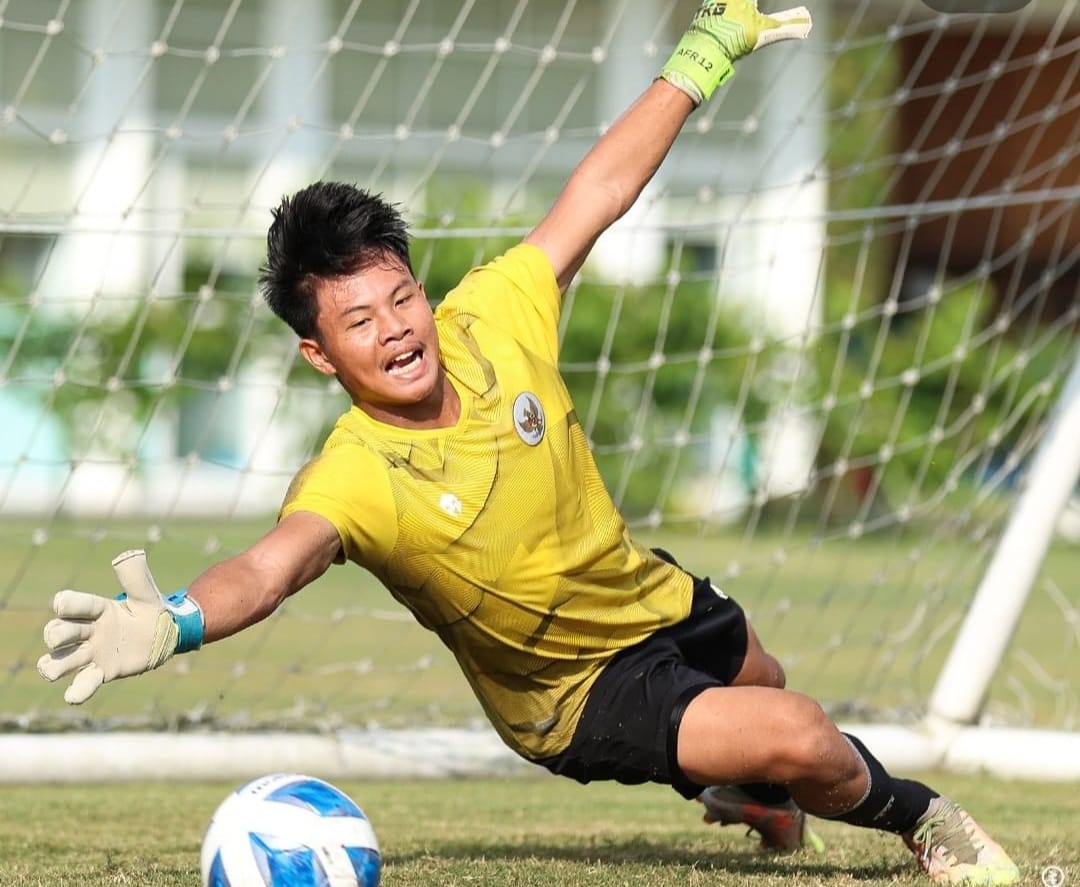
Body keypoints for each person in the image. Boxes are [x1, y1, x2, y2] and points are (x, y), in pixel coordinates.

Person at [37, 2, 1019, 884]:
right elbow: (267, 566)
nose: (395, 329)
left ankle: (740, 786)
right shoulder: (356, 476)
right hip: (575, 692)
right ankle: (925, 820)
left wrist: (703, 54)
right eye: (359, 321)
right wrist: (176, 618)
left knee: (766, 682)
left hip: (653, 594)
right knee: (805, 737)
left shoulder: (493, 312)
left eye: (400, 296)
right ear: (318, 354)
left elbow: (598, 191)